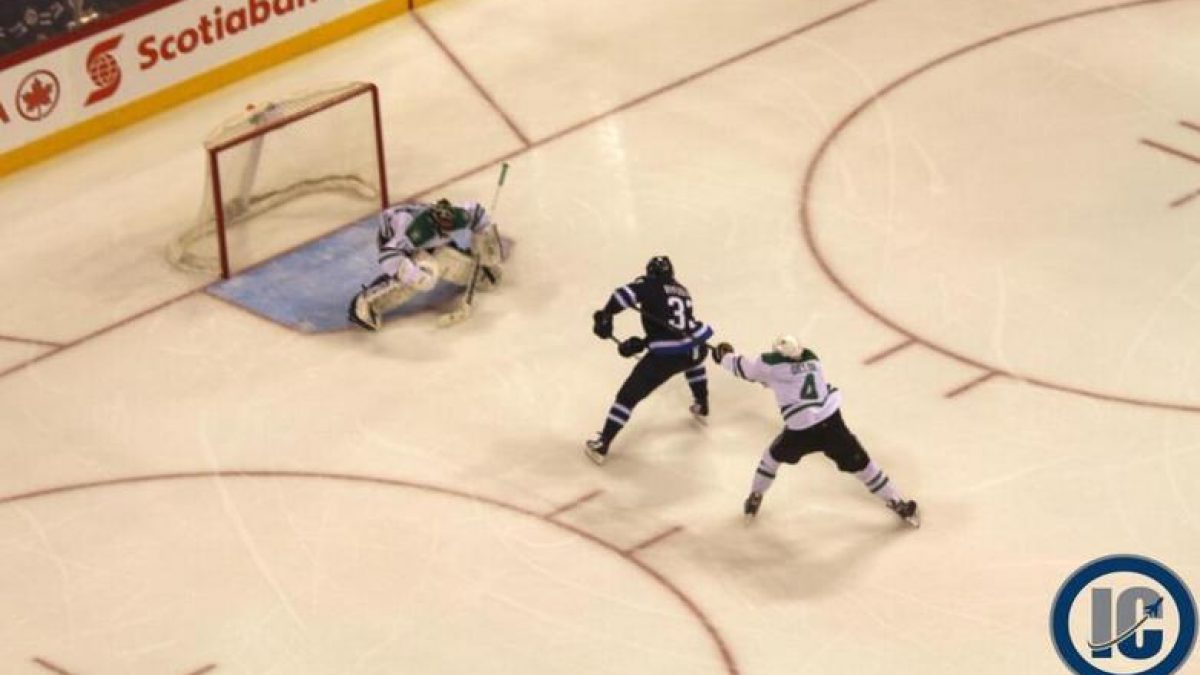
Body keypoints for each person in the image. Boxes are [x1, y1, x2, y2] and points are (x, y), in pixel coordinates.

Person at [711, 335, 919, 526]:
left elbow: (745, 369)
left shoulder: (771, 365)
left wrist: (724, 356)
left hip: (801, 429)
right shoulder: (813, 359)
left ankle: (755, 496)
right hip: (832, 422)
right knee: (864, 466)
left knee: (771, 459)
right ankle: (897, 502)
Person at [585, 255, 714, 464]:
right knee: (694, 361)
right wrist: (644, 342)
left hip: (668, 356)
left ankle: (603, 444)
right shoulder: (683, 290)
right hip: (698, 346)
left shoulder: (649, 284)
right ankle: (702, 403)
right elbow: (675, 327)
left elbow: (621, 296)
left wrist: (606, 314)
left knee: (627, 396)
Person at [348, 198, 503, 330]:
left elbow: (477, 213)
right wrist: (412, 274)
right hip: (397, 245)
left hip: (430, 243)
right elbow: (388, 255)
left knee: (461, 266)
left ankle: (472, 267)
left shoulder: (457, 216)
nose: (449, 227)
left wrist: (485, 237)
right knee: (425, 275)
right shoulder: (417, 231)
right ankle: (367, 302)